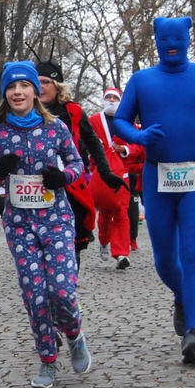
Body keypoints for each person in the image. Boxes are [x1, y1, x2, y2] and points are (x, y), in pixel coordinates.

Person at [113, 16, 195, 364]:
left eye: (177, 39)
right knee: (164, 260)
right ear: (156, 41)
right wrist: (139, 136)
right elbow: (121, 120)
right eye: (164, 40)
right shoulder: (142, 80)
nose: (171, 45)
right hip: (158, 177)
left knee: (192, 254)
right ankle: (182, 296)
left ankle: (193, 332)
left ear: (188, 39)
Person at [0, 61, 92, 388]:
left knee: (61, 290)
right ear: (5, 93)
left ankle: (74, 334)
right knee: (36, 295)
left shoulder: (56, 127)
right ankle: (47, 360)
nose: (18, 92)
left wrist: (63, 177)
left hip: (56, 219)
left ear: (34, 91)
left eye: (24, 86)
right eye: (11, 87)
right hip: (19, 225)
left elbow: (77, 163)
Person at [35, 59, 127, 267]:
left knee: (71, 236)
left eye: (46, 82)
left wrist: (105, 172)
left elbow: (93, 142)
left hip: (70, 184)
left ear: (58, 86)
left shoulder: (73, 111)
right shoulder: (26, 110)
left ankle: (69, 275)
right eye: (36, 82)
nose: (40, 87)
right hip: (36, 185)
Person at [87, 87, 142, 269]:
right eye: (108, 97)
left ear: (120, 101)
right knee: (104, 213)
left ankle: (121, 253)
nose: (111, 100)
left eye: (115, 97)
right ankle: (104, 241)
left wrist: (124, 149)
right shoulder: (93, 121)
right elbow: (82, 140)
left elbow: (139, 144)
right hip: (101, 174)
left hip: (122, 174)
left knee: (121, 212)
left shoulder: (128, 123)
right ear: (103, 99)